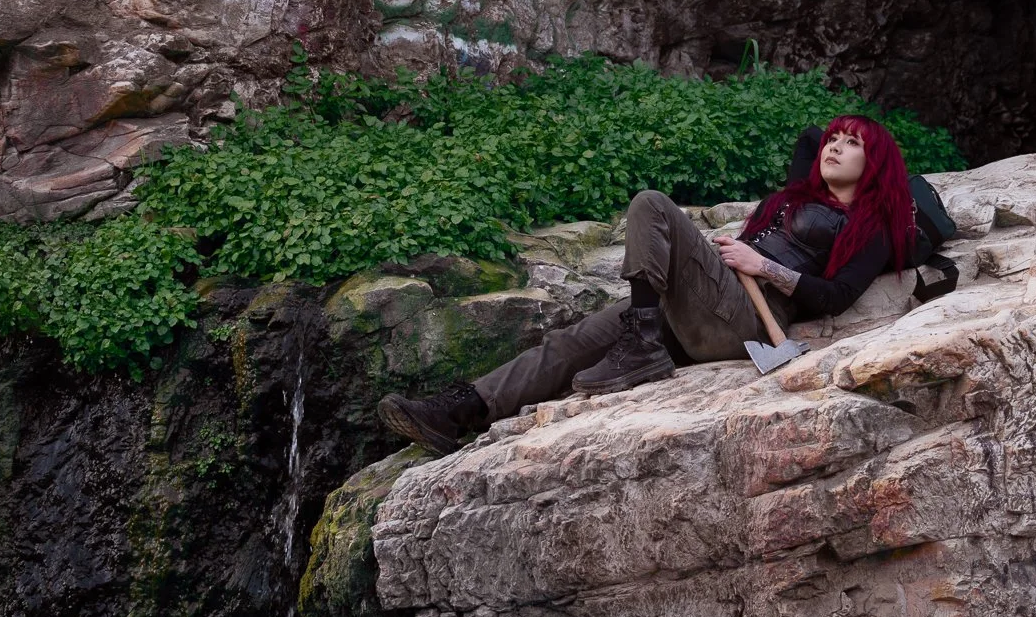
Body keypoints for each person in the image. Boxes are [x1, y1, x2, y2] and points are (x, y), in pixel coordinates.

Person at [377, 114, 919, 455]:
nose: (832, 147)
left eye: (851, 143)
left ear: (876, 163)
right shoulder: (793, 200)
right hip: (702, 308)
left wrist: (764, 267)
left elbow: (837, 296)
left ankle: (641, 344)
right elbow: (806, 139)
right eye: (831, 139)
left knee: (652, 204)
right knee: (574, 340)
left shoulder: (873, 226)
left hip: (749, 321)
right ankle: (457, 413)